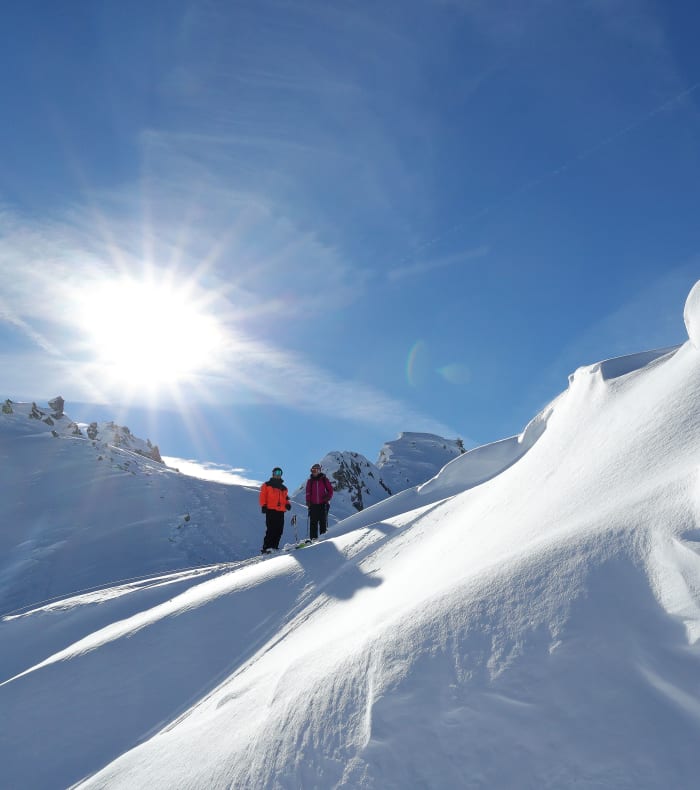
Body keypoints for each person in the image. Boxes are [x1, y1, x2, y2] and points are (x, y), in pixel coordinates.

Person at [259, 467, 291, 553]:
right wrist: (263, 505)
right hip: (271, 510)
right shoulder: (267, 485)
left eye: (280, 473)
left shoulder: (284, 488)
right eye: (276, 472)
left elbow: (285, 498)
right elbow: (263, 496)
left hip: (281, 511)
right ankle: (267, 548)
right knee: (271, 529)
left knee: (279, 529)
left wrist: (288, 504)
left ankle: (274, 547)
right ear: (273, 474)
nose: (278, 474)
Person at [305, 463, 334, 541]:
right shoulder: (310, 481)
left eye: (316, 470)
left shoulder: (324, 479)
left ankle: (323, 538)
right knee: (313, 522)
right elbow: (308, 492)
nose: (315, 472)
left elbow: (330, 490)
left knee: (323, 521)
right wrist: (308, 501)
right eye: (313, 470)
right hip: (313, 505)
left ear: (319, 470)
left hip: (323, 504)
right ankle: (313, 539)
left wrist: (328, 497)